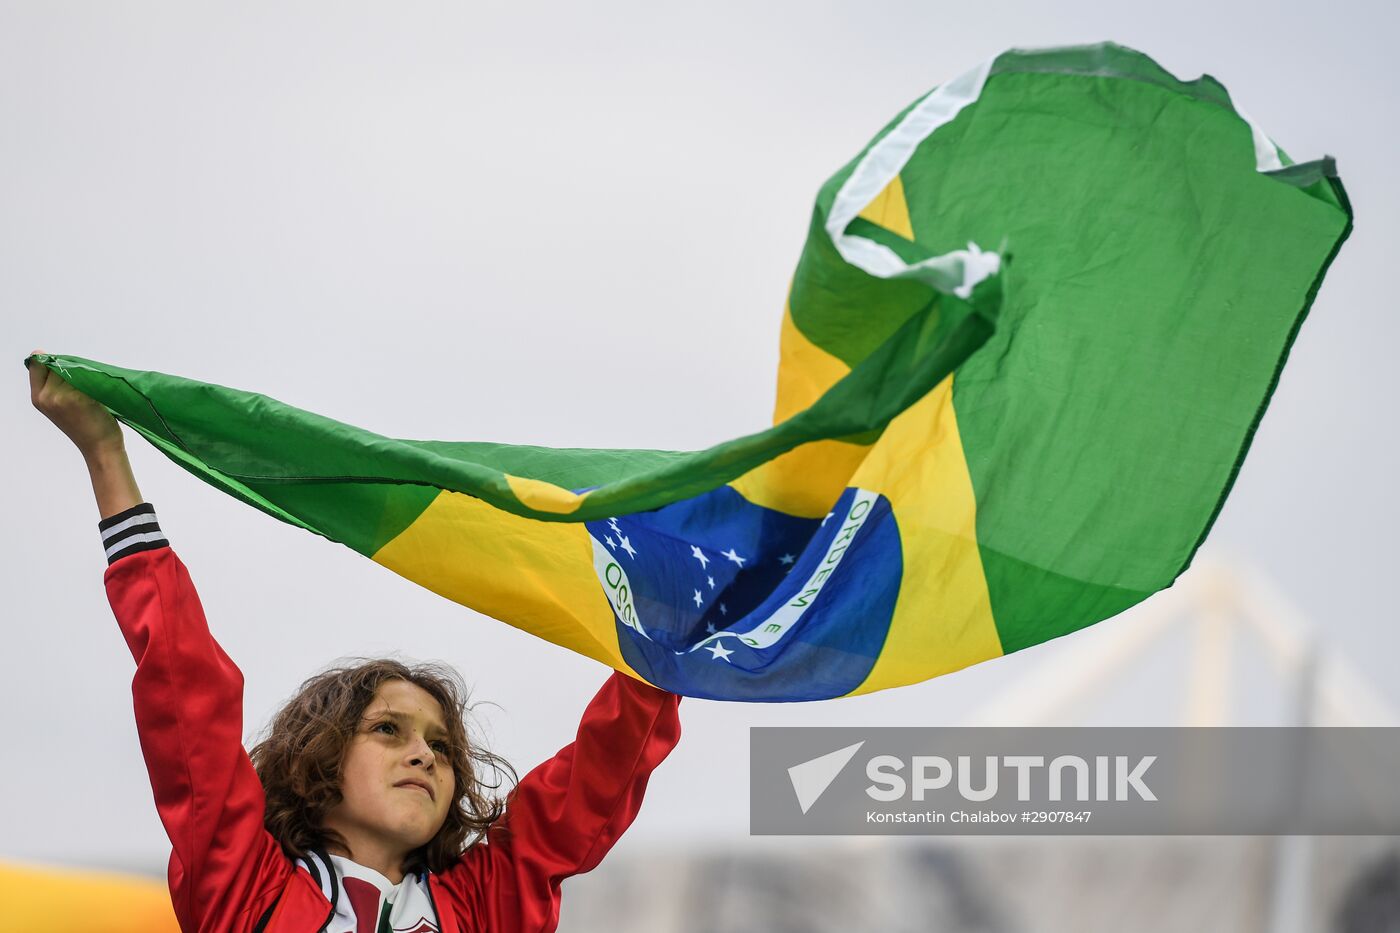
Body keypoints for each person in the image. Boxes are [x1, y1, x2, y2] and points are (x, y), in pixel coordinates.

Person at [27, 354, 683, 933]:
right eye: (389, 729)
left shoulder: (487, 906)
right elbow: (184, 687)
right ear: (319, 760)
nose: (425, 755)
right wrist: (104, 455)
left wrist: (680, 619)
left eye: (442, 745)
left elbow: (597, 777)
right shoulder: (245, 889)